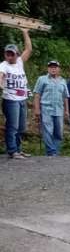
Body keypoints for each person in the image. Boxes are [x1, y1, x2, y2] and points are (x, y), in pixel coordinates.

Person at [0, 28, 33, 159]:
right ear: (5, 55)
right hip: (10, 100)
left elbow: (29, 49)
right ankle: (12, 151)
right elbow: (1, 75)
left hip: (22, 99)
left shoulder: (19, 62)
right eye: (7, 54)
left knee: (21, 127)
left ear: (17, 54)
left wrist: (25, 32)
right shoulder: (3, 65)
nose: (9, 56)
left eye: (12, 54)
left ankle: (18, 149)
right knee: (12, 126)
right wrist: (1, 82)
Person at [33, 61, 70, 157]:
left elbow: (65, 97)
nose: (53, 69)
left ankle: (55, 152)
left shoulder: (63, 81)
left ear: (59, 69)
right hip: (46, 109)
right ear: (48, 69)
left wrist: (67, 110)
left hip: (59, 110)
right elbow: (37, 95)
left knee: (58, 133)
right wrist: (37, 109)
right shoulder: (42, 79)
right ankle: (51, 152)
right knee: (48, 131)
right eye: (51, 67)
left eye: (55, 67)